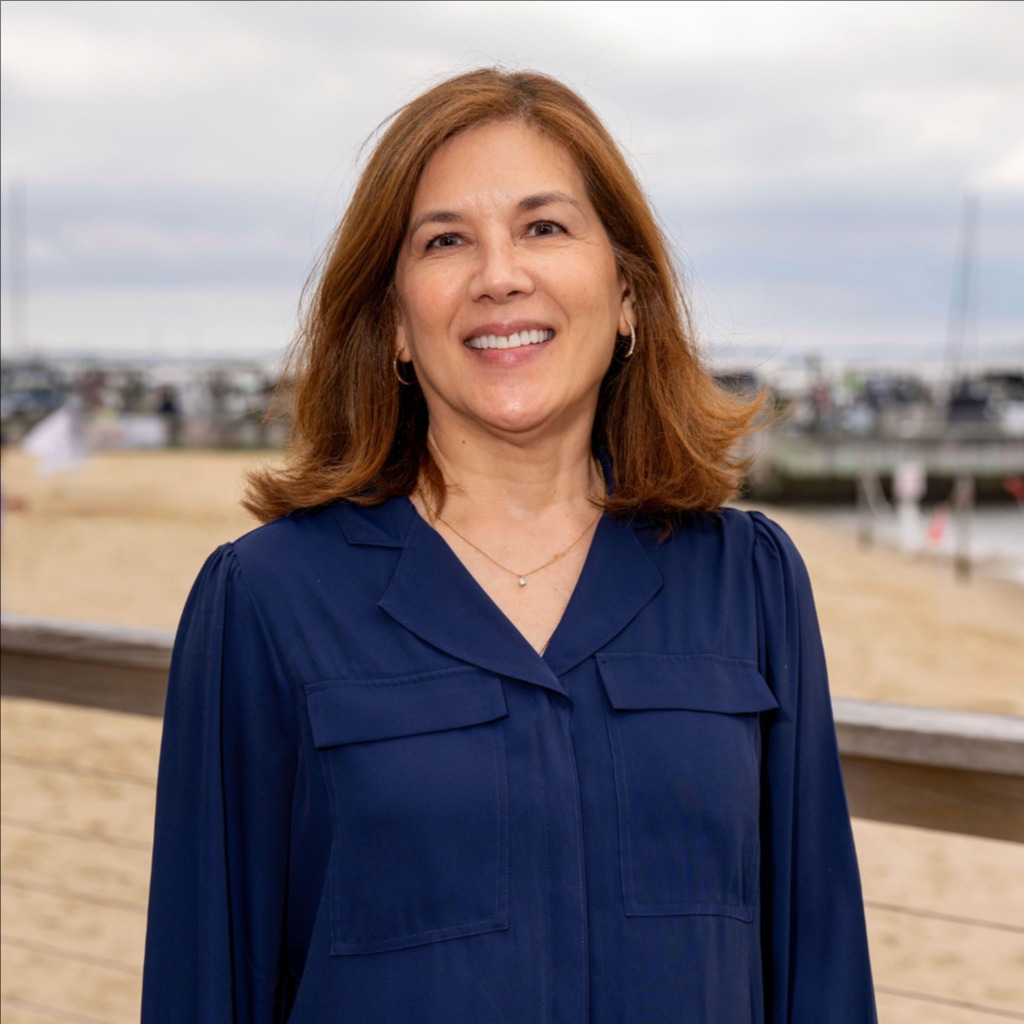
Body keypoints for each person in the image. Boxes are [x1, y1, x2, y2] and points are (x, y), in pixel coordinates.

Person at [142, 68, 876, 1023]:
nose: (499, 276)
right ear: (396, 325)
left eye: (545, 227)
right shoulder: (265, 600)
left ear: (628, 297)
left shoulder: (751, 583)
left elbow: (817, 969)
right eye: (446, 240)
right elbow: (206, 981)